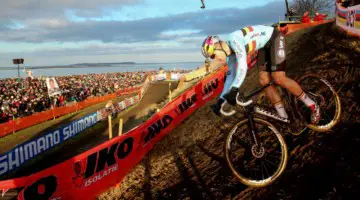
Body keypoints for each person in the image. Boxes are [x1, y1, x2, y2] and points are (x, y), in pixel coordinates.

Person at [201, 24, 321, 124]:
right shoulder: (230, 56)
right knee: (264, 80)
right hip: (264, 46)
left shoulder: (234, 40)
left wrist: (235, 89)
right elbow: (230, 78)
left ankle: (312, 105)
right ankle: (283, 116)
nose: (214, 59)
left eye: (213, 55)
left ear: (218, 46)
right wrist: (220, 101)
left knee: (278, 78)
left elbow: (243, 67)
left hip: (274, 38)